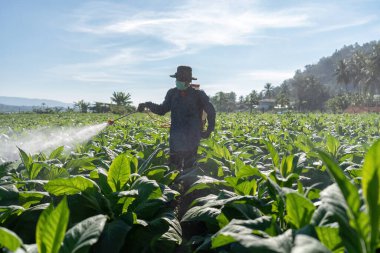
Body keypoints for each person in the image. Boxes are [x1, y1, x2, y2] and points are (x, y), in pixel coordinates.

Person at [137, 66, 216, 170]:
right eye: (178, 79)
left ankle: (187, 185)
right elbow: (162, 109)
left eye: (182, 80)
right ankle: (174, 185)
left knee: (189, 166)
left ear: (188, 81)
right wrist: (147, 104)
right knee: (173, 166)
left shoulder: (198, 95)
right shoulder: (172, 93)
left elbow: (211, 112)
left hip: (192, 136)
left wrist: (209, 130)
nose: (179, 81)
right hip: (176, 136)